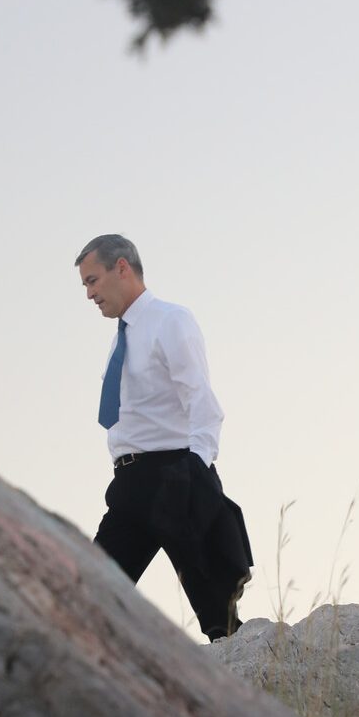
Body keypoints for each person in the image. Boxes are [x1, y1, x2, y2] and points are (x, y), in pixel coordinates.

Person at [76, 233, 252, 641]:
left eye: (93, 280)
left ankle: (253, 677)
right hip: (129, 486)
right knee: (91, 597)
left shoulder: (170, 320)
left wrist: (194, 473)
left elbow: (202, 401)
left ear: (122, 268)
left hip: (177, 476)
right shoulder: (121, 337)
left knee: (219, 619)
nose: (89, 294)